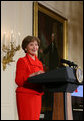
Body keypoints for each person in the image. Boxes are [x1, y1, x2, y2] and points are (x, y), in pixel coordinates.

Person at [15, 35, 44, 120]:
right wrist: (33, 75)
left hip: (37, 95)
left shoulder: (40, 63)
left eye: (36, 44)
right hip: (26, 95)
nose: (34, 47)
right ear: (25, 47)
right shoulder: (22, 61)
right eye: (31, 44)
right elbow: (19, 81)